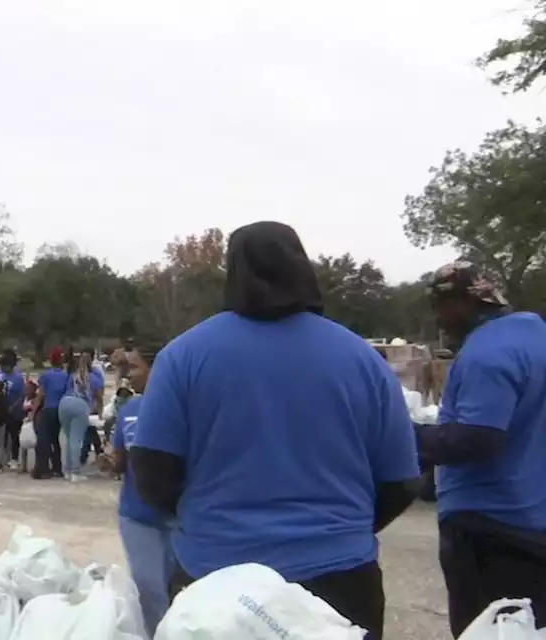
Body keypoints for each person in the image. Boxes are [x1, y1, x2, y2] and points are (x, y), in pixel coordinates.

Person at [130, 221, 420, 639]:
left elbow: (153, 472)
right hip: (339, 582)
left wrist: (207, 519)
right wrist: (339, 527)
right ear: (304, 269)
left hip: (215, 583)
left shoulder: (183, 357)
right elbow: (402, 479)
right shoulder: (363, 359)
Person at [415, 261, 546, 636]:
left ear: (463, 303)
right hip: (535, 518)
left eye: (440, 307)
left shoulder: (488, 353)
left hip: (489, 527)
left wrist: (405, 436)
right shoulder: (536, 336)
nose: (440, 320)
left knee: (485, 630)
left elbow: (477, 438)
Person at [107, 345, 175, 635]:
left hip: (180, 518)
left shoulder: (185, 409)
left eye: (134, 368)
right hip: (137, 517)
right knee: (149, 591)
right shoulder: (129, 410)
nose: (128, 375)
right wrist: (110, 461)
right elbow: (120, 460)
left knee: (179, 591)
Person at [59, 353, 100, 483]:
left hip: (64, 403)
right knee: (76, 440)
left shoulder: (72, 376)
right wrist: (99, 412)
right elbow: (99, 396)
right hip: (81, 405)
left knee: (69, 438)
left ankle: (67, 470)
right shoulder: (94, 378)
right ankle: (75, 472)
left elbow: (66, 389)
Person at [31, 347, 69, 480]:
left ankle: (43, 468)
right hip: (60, 409)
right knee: (55, 439)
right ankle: (57, 468)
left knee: (43, 439)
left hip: (48, 408)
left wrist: (33, 411)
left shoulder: (46, 375)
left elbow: (41, 395)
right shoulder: (66, 376)